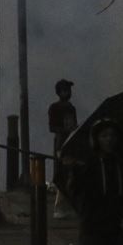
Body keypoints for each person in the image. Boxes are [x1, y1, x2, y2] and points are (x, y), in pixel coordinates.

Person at [49, 79, 78, 219]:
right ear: (59, 92)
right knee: (63, 173)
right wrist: (65, 129)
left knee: (70, 174)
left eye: (69, 90)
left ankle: (68, 206)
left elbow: (75, 124)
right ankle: (59, 207)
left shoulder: (72, 107)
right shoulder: (55, 107)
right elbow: (52, 127)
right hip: (61, 143)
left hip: (71, 142)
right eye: (65, 90)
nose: (68, 93)